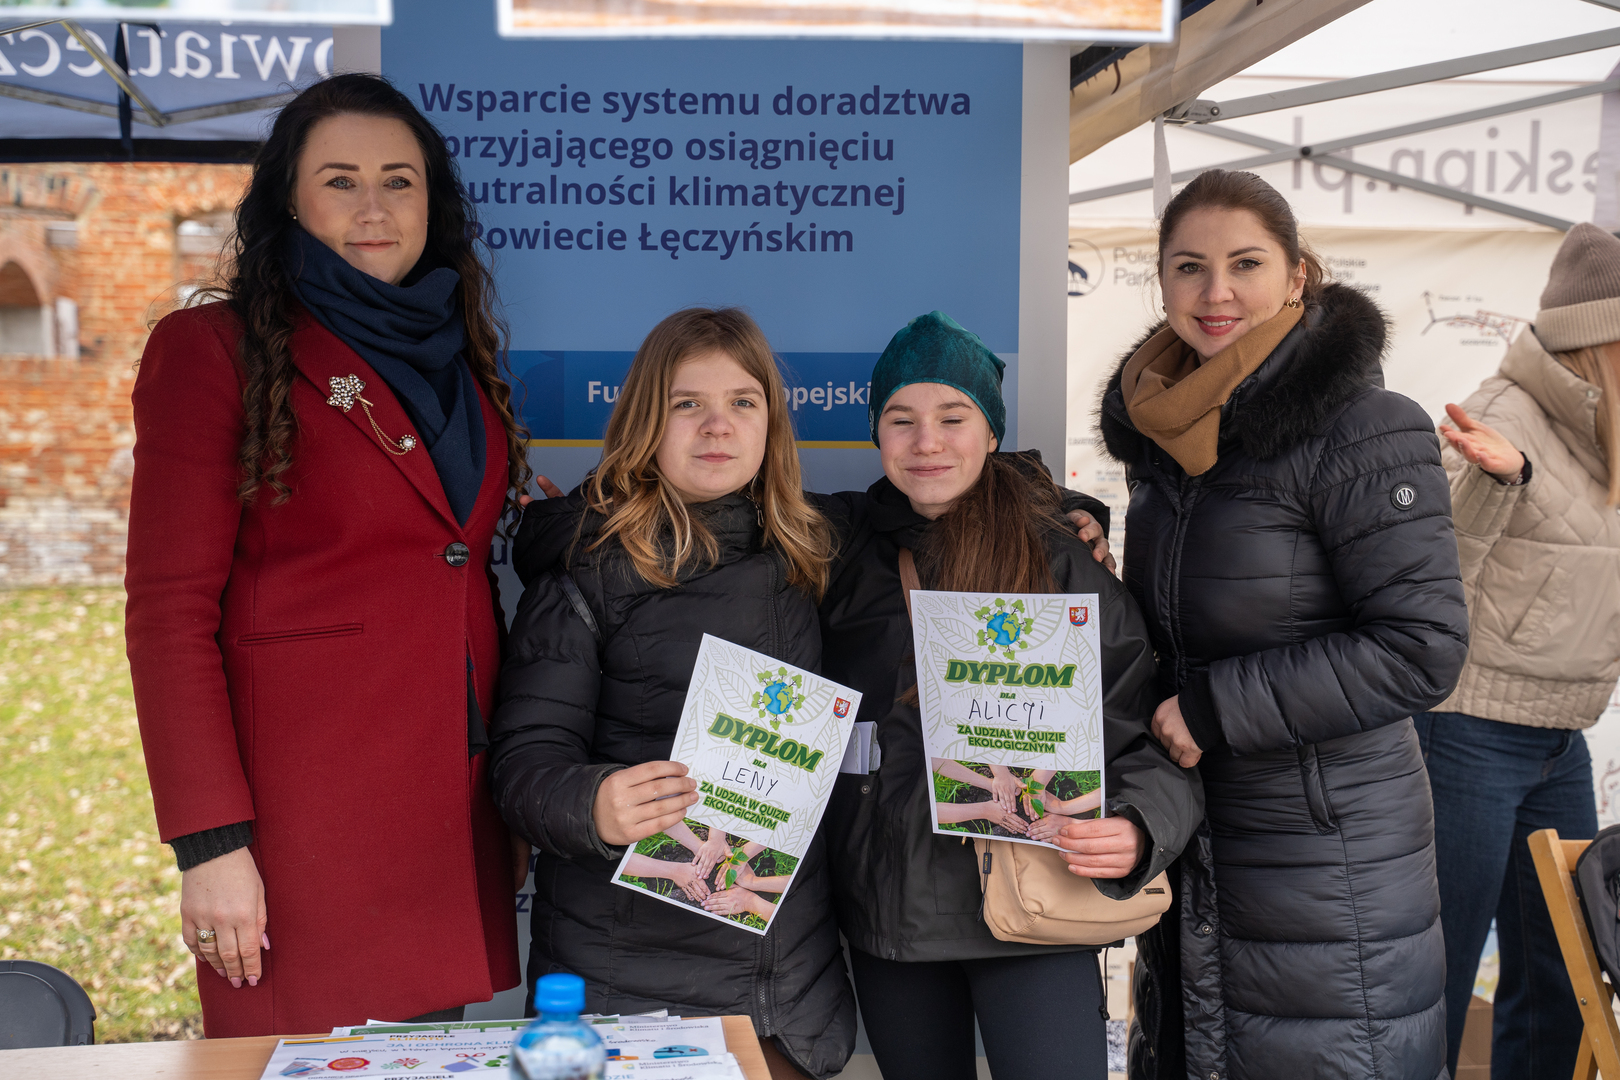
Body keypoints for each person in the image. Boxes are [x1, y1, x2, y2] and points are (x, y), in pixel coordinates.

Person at [124, 74, 528, 1035]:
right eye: (341, 181)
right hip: (301, 823)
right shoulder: (211, 348)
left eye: (399, 181)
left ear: (433, 202)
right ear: (290, 201)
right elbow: (168, 614)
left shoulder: (459, 356)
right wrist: (209, 843)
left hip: (449, 809)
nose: (374, 207)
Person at [1098, 169, 1470, 1079]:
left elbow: (1420, 649)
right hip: (1199, 834)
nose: (1215, 292)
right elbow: (1190, 621)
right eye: (1189, 267)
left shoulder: (1365, 428)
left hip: (1326, 859)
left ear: (1297, 275)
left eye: (1245, 264)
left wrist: (1216, 707)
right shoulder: (1169, 440)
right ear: (1161, 281)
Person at [814, 312, 1202, 1080]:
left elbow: (1141, 734)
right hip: (892, 916)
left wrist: (1137, 827)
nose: (927, 442)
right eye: (901, 419)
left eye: (953, 417)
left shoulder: (1058, 558)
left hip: (1034, 907)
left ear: (991, 432)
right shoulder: (836, 552)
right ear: (876, 433)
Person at [487, 308, 853, 1080]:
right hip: (628, 994)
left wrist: (1072, 518)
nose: (717, 425)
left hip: (786, 999)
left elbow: (935, 510)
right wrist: (592, 804)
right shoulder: (591, 568)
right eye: (688, 403)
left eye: (742, 402)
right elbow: (524, 762)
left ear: (771, 424)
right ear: (646, 422)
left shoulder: (814, 549)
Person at [1420, 221, 1620, 1080]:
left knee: (1565, 979)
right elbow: (1432, 574)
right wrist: (1501, 483)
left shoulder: (1610, 434)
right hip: (1464, 729)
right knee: (1436, 974)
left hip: (1558, 737)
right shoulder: (1502, 416)